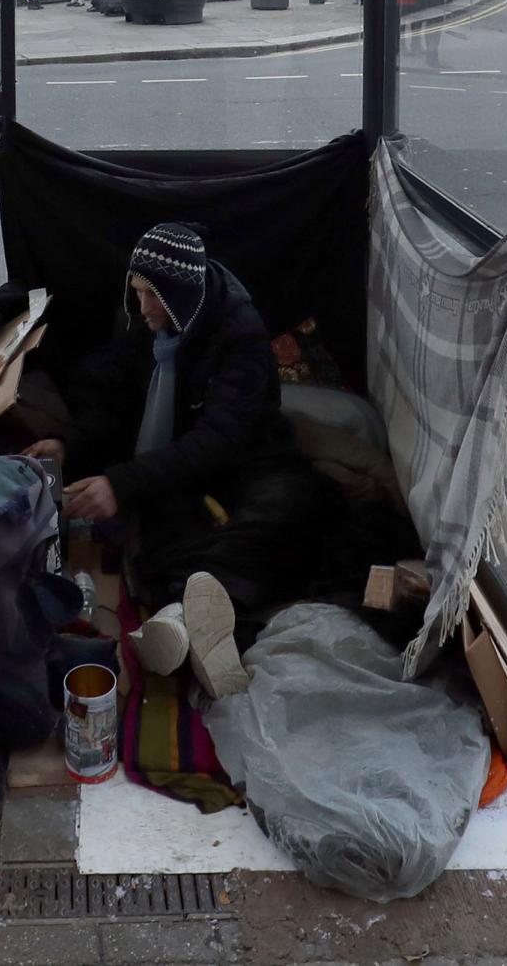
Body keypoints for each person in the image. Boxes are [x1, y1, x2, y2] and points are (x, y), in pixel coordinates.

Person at [21, 223, 342, 701]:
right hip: (173, 464)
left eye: (154, 296)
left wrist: (120, 484)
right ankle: (196, 619)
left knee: (291, 508)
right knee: (159, 531)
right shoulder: (143, 323)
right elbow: (114, 400)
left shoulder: (240, 336)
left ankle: (183, 618)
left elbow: (219, 440)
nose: (144, 307)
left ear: (183, 297)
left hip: (243, 459)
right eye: (137, 292)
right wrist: (69, 444)